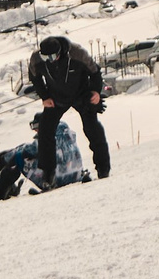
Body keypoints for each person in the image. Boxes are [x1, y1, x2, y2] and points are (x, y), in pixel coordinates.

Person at [28, 35, 111, 184]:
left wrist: (95, 92)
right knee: (45, 130)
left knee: (92, 128)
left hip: (81, 94)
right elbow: (34, 77)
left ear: (61, 52)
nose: (49, 60)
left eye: (53, 56)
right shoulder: (36, 59)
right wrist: (44, 97)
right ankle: (48, 175)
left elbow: (95, 72)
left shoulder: (78, 53)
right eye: (45, 56)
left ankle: (103, 169)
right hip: (56, 98)